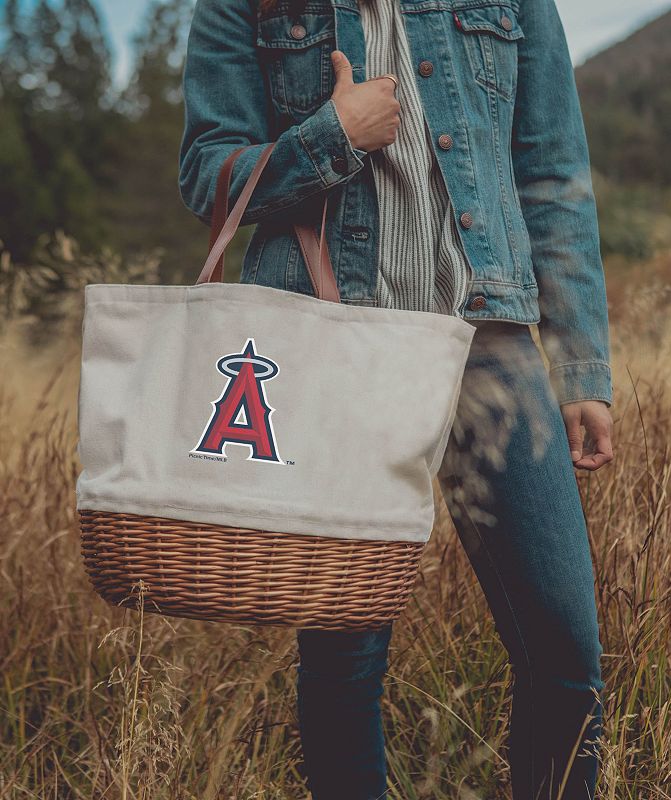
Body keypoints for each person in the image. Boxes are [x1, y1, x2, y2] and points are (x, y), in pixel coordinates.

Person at [179, 0, 614, 797]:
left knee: (565, 650)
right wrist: (329, 138)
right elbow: (207, 172)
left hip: (490, 346)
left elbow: (551, 173)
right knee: (345, 660)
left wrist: (582, 365)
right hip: (334, 349)